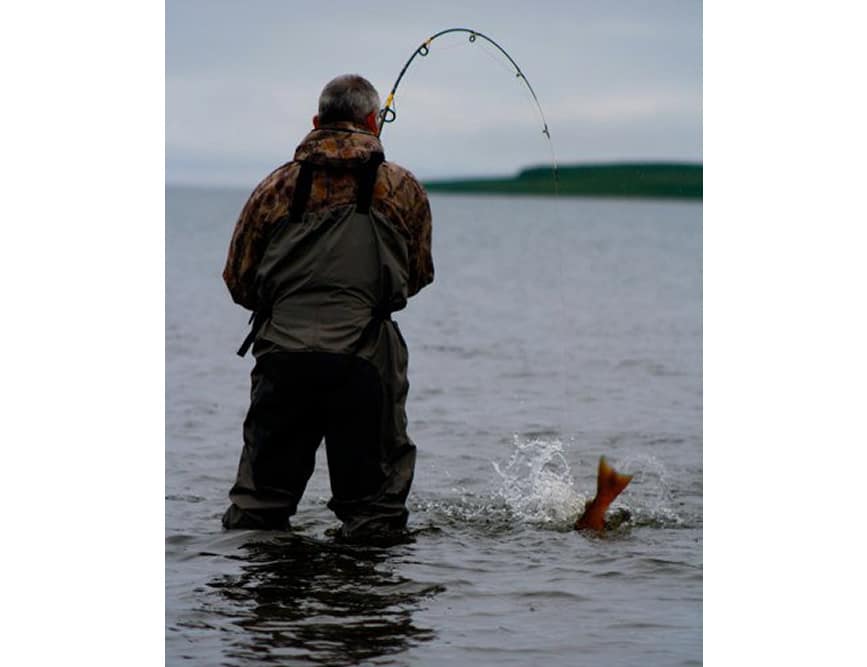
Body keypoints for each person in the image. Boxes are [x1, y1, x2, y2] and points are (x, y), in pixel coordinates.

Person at [220, 74, 434, 539]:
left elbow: (238, 281)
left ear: (317, 121)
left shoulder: (273, 188)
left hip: (282, 360)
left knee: (259, 510)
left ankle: (265, 607)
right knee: (374, 518)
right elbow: (417, 277)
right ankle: (360, 609)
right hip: (365, 362)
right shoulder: (401, 189)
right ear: (373, 121)